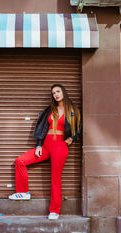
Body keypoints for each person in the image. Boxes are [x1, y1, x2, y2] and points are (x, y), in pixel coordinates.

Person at [9, 84, 81, 220]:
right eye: (53, 93)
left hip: (60, 146)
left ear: (63, 92)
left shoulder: (73, 110)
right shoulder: (50, 109)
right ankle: (23, 192)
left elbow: (79, 127)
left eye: (58, 91)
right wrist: (38, 145)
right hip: (46, 145)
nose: (56, 94)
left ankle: (54, 210)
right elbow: (43, 127)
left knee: (55, 178)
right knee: (20, 161)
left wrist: (73, 137)